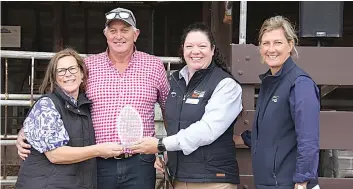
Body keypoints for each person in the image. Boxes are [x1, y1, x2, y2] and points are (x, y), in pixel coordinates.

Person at [16, 7, 170, 189]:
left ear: (135, 34)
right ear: (106, 35)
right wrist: (26, 131)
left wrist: (167, 148)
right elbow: (61, 100)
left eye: (124, 30)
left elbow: (170, 109)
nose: (118, 36)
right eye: (113, 31)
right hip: (97, 161)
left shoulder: (154, 66)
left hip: (141, 162)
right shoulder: (88, 66)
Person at [131, 23, 243, 189]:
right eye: (189, 46)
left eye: (202, 46)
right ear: (183, 49)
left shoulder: (226, 84)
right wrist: (167, 154)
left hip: (214, 180)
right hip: (179, 177)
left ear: (212, 50)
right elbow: (177, 125)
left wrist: (161, 144)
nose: (195, 51)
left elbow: (208, 130)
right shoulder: (175, 80)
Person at [15, 48, 123, 189]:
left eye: (72, 69)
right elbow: (55, 155)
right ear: (54, 78)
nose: (68, 75)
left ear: (82, 73)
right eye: (61, 71)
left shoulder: (85, 106)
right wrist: (98, 150)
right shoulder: (47, 104)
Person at [233, 16, 320, 189]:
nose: (271, 49)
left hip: (291, 184)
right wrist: (240, 139)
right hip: (269, 183)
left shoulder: (300, 84)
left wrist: (302, 180)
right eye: (265, 43)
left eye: (277, 42)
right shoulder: (270, 82)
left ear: (290, 44)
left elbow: (308, 139)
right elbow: (274, 132)